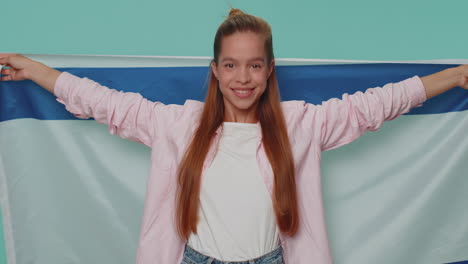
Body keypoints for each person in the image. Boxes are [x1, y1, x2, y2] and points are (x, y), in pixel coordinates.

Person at [0, 8, 467, 264]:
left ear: (268, 71)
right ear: (215, 71)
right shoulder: (177, 126)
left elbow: (376, 105)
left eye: (254, 64)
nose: (242, 77)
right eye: (231, 65)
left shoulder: (300, 125)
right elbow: (102, 102)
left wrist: (453, 77)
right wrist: (36, 70)